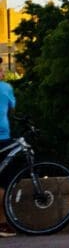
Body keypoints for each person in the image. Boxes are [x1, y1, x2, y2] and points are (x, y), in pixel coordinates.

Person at [0, 76, 16, 237]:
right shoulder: (5, 88)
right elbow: (12, 108)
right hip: (2, 138)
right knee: (4, 182)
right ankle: (2, 223)